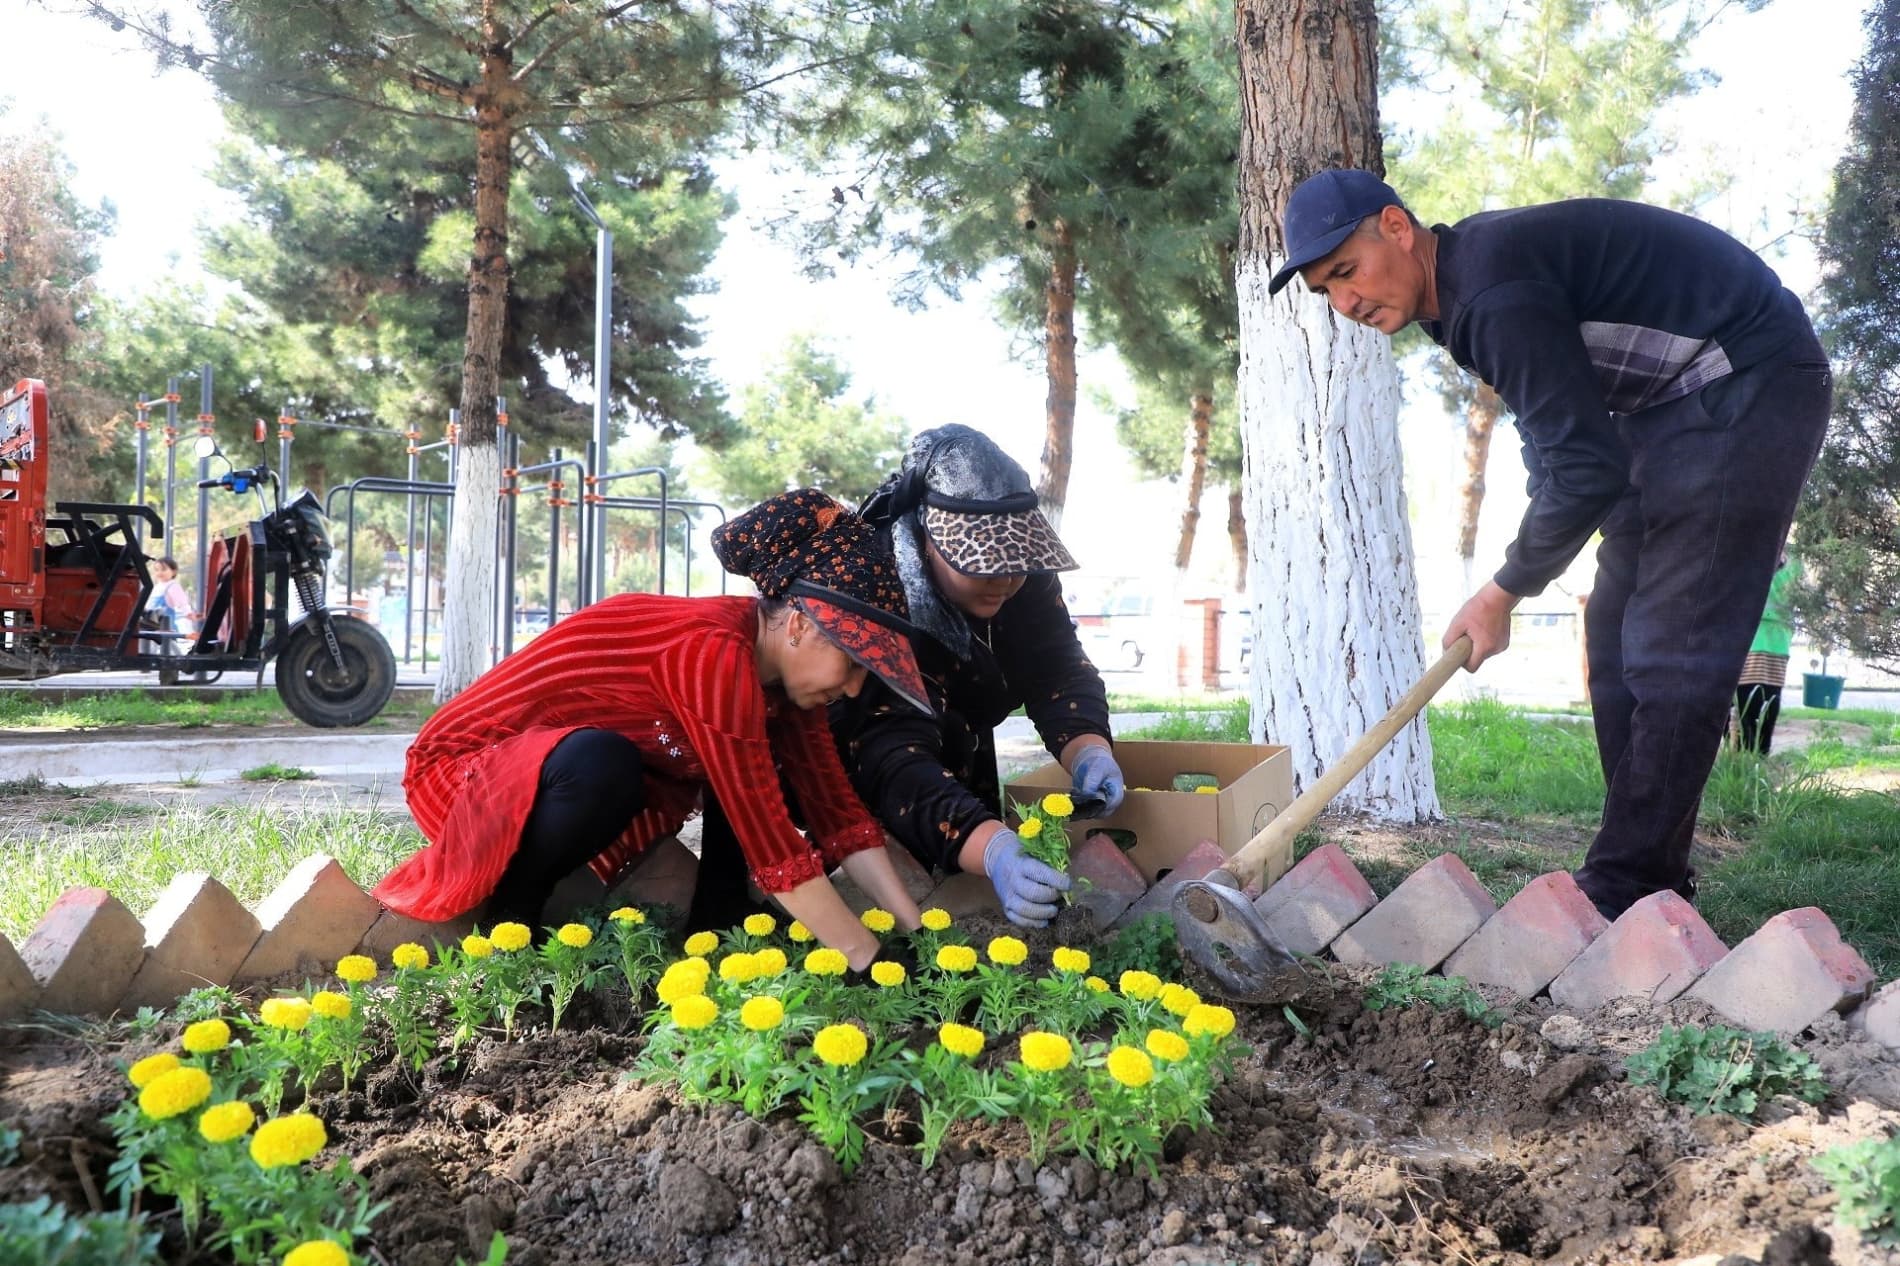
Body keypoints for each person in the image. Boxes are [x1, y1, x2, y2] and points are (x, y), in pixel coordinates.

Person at [1271, 168, 1831, 920]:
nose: (1346, 302)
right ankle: (1647, 875)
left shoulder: (1490, 291)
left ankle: (1624, 887)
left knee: (1674, 646)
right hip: (1662, 409)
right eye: (1326, 291)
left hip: (1745, 378)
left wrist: (1503, 590)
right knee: (1616, 643)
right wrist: (1522, 565)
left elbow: (1586, 467)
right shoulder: (1459, 301)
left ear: (1398, 229)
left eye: (1347, 271)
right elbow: (1559, 442)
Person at [372, 488, 933, 970]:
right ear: (800, 626)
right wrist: (866, 956)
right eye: (853, 661)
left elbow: (836, 811)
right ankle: (512, 917)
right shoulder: (710, 652)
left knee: (745, 769)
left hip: (550, 785)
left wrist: (923, 936)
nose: (856, 687)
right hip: (465, 776)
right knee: (605, 762)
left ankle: (716, 927)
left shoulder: (780, 687)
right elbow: (772, 843)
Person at [831, 425, 1124, 928]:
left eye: (1017, 565)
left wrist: (1088, 749)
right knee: (910, 905)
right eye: (984, 565)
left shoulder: (1020, 576)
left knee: (978, 898)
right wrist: (992, 848)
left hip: (958, 736)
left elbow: (1055, 662)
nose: (1007, 582)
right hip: (857, 757)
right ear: (927, 540)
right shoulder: (879, 585)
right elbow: (891, 756)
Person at [1735, 552, 1800, 755]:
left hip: (1759, 637)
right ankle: (1753, 755)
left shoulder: (1789, 561)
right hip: (1770, 638)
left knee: (1756, 699)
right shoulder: (1795, 561)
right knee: (1761, 699)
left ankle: (1749, 755)